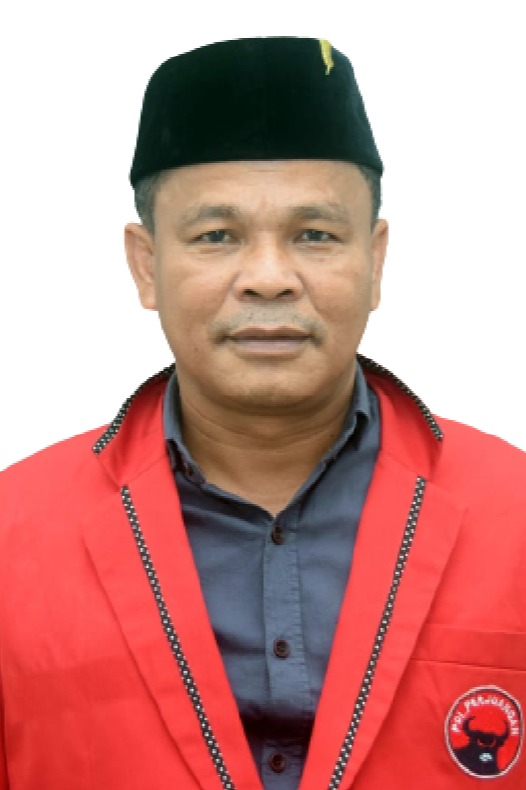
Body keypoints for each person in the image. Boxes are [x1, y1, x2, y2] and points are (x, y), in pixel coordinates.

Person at [1, 36, 525, 790]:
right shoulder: (12, 538)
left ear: (375, 260)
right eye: (217, 236)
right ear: (146, 265)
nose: (270, 278)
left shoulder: (516, 515)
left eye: (315, 235)